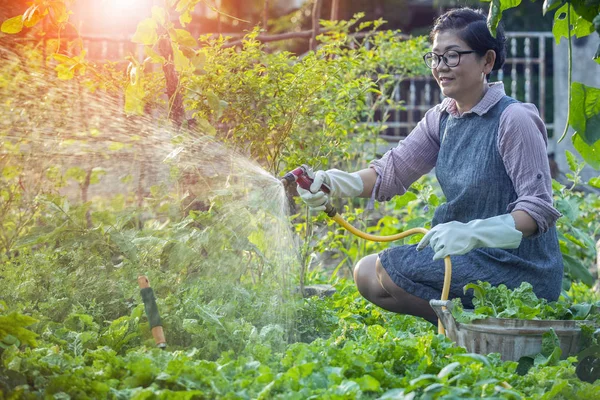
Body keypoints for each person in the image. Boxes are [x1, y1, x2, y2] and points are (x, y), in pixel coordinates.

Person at [297, 7, 563, 324]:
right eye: (435, 57)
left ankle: (473, 334)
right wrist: (333, 183)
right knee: (367, 273)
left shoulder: (513, 118)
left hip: (519, 266)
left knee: (388, 270)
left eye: (452, 56)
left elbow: (538, 210)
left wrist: (473, 233)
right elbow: (391, 172)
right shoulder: (443, 117)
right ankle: (470, 329)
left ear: (487, 61)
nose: (440, 68)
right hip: (467, 257)